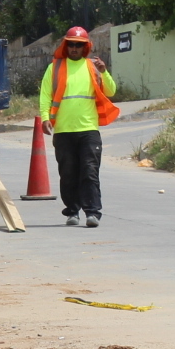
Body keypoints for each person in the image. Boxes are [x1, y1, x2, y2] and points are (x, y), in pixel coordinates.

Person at [38, 25, 118, 227]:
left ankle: (92, 212)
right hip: (64, 131)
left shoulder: (93, 67)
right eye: (71, 44)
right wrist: (45, 117)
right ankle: (72, 212)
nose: (74, 48)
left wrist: (104, 72)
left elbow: (111, 91)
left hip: (89, 130)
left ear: (86, 47)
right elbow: (45, 94)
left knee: (90, 172)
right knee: (68, 174)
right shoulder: (55, 68)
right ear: (66, 45)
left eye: (79, 45)